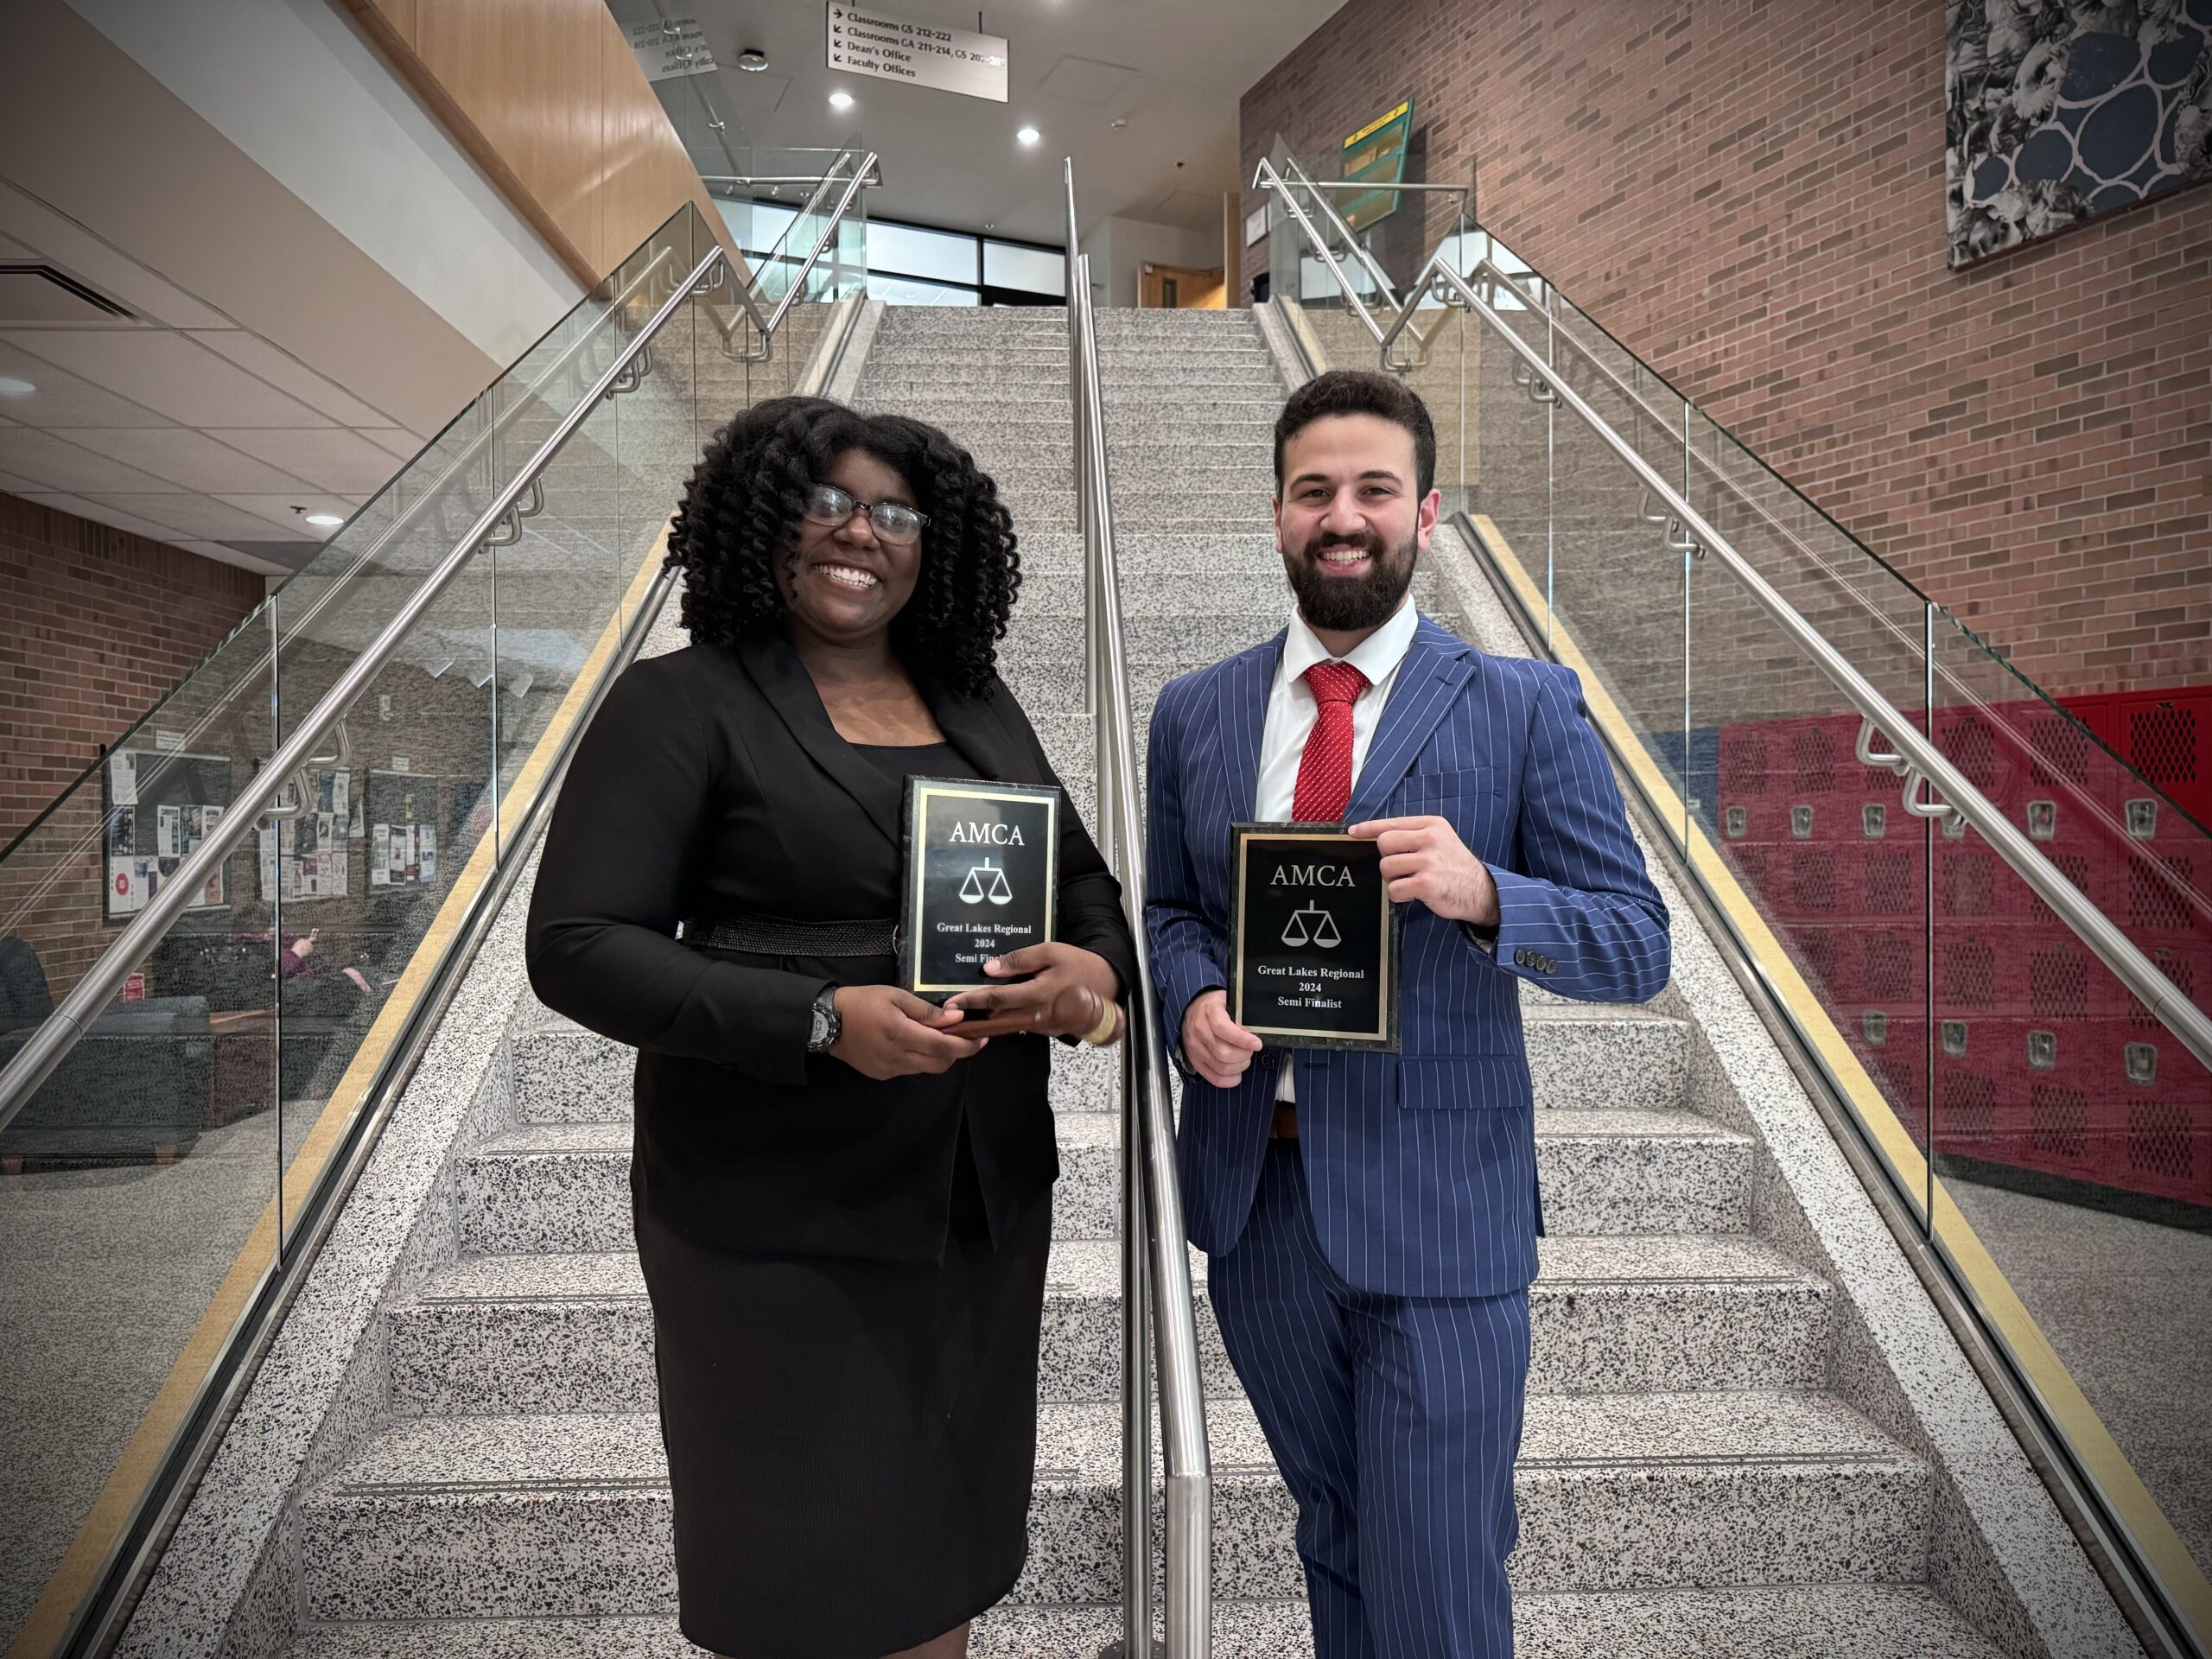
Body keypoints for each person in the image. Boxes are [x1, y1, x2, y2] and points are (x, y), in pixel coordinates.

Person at [526, 397, 1137, 1659]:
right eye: (829, 501)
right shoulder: (679, 703)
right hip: (776, 1222)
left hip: (975, 1206)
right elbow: (578, 947)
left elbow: (1083, 884)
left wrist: (1091, 982)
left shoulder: (975, 701)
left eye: (898, 513)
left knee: (936, 1554)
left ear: (935, 543)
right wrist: (816, 1018)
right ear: (765, 519)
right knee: (802, 1572)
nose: (863, 533)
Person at [1143, 370, 1672, 1656]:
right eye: (1315, 490)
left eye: (1375, 489)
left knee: (1436, 1570)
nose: (1344, 514)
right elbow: (1166, 910)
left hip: (1444, 1208)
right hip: (1260, 1206)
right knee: (1335, 1534)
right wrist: (1192, 999)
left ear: (1424, 512)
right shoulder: (1198, 710)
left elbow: (1638, 942)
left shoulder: (1523, 704)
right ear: (1277, 514)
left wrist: (1488, 892)